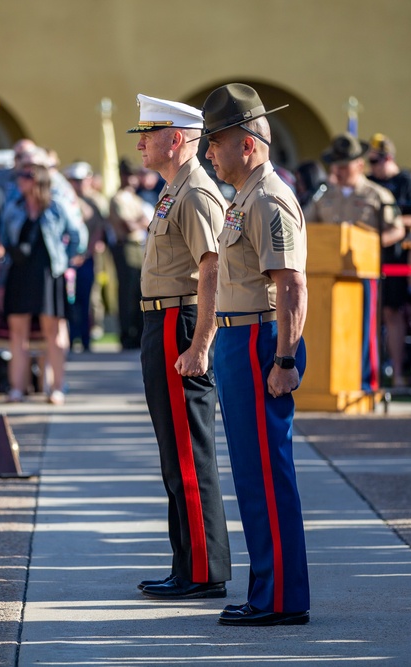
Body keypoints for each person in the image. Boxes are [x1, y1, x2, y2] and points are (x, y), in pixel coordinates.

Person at [200, 83, 310, 626]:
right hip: (240, 338)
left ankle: (282, 597)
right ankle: (267, 589)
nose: (208, 153)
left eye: (215, 142)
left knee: (268, 473)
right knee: (251, 474)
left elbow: (290, 285)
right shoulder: (245, 195)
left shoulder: (267, 198)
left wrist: (285, 361)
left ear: (246, 143)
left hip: (263, 341)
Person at [126, 94, 231, 601]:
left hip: (178, 322)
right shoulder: (174, 189)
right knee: (176, 453)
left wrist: (201, 342)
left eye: (148, 134)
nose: (140, 143)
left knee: (189, 451)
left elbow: (212, 269)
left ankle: (203, 570)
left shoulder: (194, 193)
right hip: (160, 321)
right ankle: (189, 562)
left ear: (177, 140)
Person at [303, 133, 406, 385]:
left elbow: (397, 229)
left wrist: (370, 244)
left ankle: (364, 381)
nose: (337, 170)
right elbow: (305, 226)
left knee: (364, 329)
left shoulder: (378, 195)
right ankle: (333, 379)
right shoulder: (323, 196)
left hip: (363, 273)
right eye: (335, 165)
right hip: (327, 277)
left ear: (359, 165)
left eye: (344, 165)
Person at [0, 163, 86, 404]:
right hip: (19, 273)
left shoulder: (56, 206)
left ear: (39, 180)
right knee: (18, 333)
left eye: (26, 176)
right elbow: (4, 237)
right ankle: (17, 388)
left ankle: (57, 387)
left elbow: (78, 235)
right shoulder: (14, 206)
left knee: (53, 333)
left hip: (50, 274)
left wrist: (67, 260)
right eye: (20, 175)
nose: (21, 180)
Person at [365, 133, 411, 388]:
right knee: (370, 315)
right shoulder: (368, 182)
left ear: (388, 158)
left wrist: (394, 224)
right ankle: (371, 371)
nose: (372, 167)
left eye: (376, 161)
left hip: (396, 257)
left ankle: (398, 372)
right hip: (368, 256)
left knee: (392, 313)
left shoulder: (406, 182)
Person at [63, 161, 108, 352]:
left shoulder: (95, 201)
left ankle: (86, 339)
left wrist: (86, 252)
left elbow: (99, 229)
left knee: (86, 299)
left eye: (80, 180)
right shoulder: (64, 199)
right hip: (66, 260)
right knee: (68, 300)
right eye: (73, 180)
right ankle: (71, 337)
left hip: (87, 259)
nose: (77, 184)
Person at [108, 161, 151, 349]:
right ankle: (126, 333)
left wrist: (140, 222)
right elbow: (129, 226)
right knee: (127, 292)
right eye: (129, 175)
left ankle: (138, 331)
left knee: (139, 293)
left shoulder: (135, 198)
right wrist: (140, 221)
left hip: (140, 246)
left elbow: (146, 222)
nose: (133, 180)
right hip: (125, 246)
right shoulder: (118, 199)